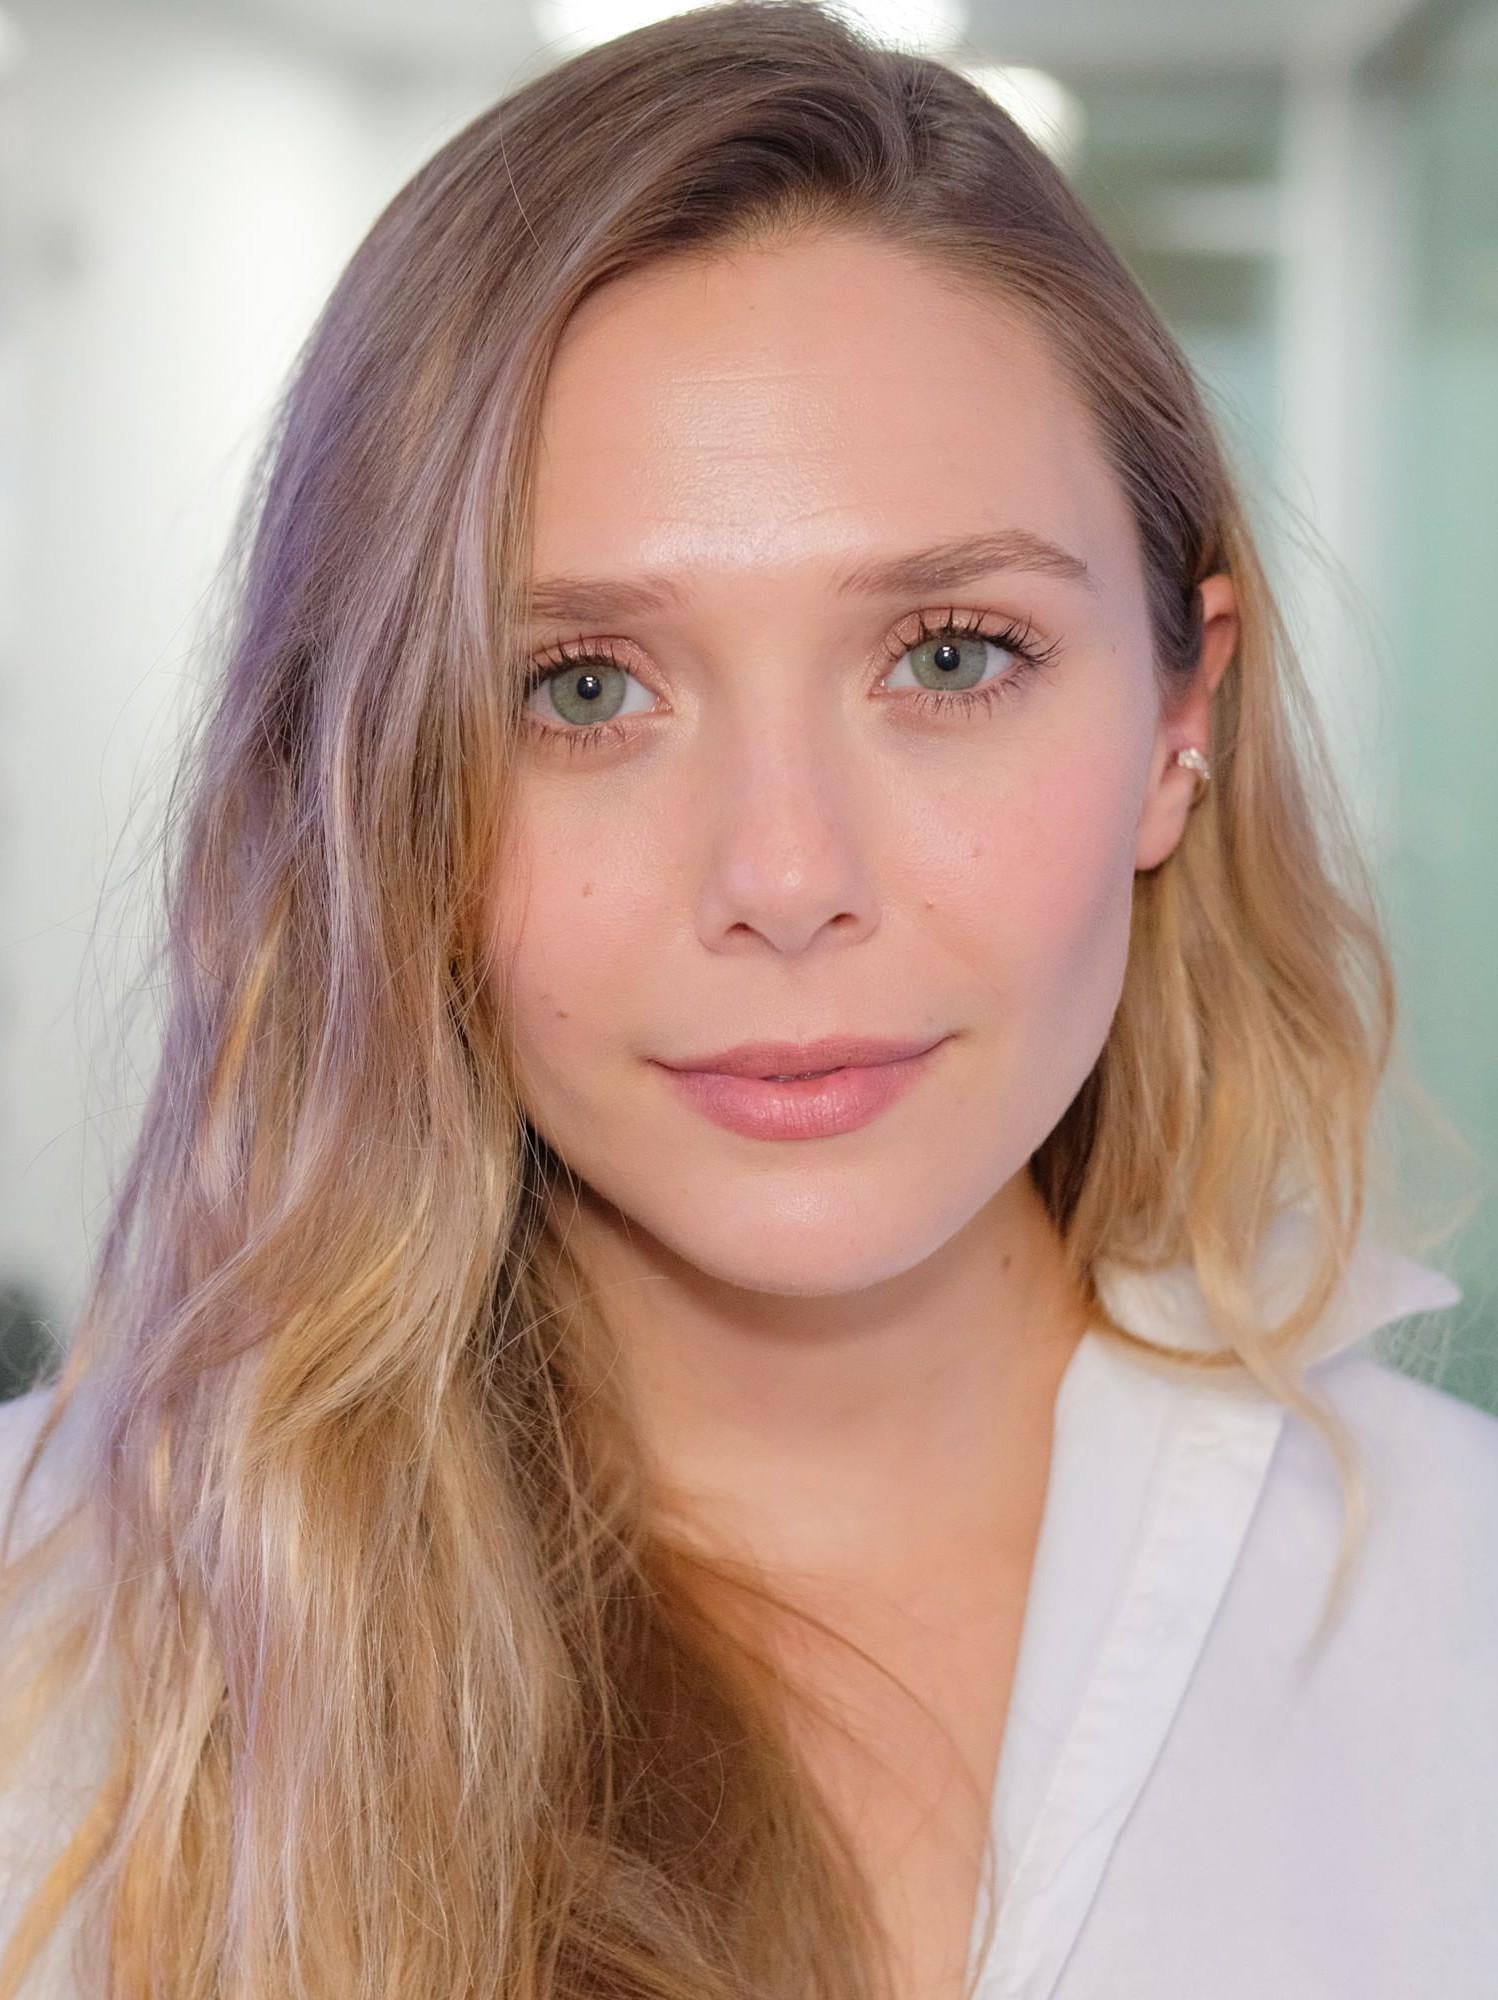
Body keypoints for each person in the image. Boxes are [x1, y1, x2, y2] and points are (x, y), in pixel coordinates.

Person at [0, 4, 1493, 1996]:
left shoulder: (1455, 1624)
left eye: (948, 657)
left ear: (1175, 720)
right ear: (378, 796)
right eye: (582, 688)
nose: (784, 878)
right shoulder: (50, 1653)